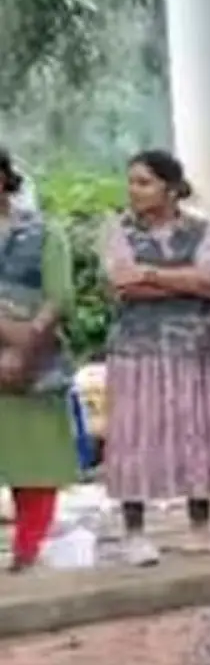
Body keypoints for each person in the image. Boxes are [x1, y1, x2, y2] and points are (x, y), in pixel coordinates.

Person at [98, 149, 210, 564]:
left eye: (144, 182)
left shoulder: (205, 229)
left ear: (171, 188)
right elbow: (122, 285)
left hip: (193, 349)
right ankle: (135, 533)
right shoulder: (117, 229)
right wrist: (184, 281)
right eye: (133, 182)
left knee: (196, 431)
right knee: (135, 435)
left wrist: (151, 273)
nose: (134, 190)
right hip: (136, 349)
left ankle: (200, 527)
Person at [0, 150, 80, 571]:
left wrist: (23, 349)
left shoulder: (44, 232)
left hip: (35, 360)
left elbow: (60, 297)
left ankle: (27, 550)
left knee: (35, 459)